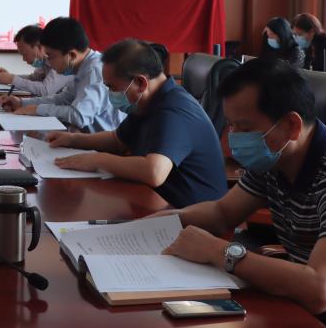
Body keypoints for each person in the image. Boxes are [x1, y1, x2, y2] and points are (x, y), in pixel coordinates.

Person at [159, 58, 326, 328]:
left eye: (245, 128)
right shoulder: (275, 158)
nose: (234, 138)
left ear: (291, 126)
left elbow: (319, 289)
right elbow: (221, 213)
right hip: (307, 315)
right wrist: (154, 223)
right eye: (231, 125)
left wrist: (218, 251)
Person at [44, 40, 227, 208]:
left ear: (140, 83)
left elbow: (154, 172)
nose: (110, 93)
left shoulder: (174, 110)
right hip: (159, 203)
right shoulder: (147, 101)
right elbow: (117, 140)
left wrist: (98, 160)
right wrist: (73, 139)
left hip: (194, 217)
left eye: (112, 87)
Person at [0, 17, 123, 132]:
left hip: (107, 143)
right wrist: (22, 103)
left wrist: (38, 109)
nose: (48, 62)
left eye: (50, 56)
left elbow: (79, 116)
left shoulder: (94, 70)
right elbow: (62, 99)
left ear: (71, 55)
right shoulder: (82, 67)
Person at [0, 24, 73, 97]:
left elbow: (45, 91)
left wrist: (12, 79)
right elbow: (34, 78)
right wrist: (9, 76)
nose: (24, 59)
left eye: (24, 54)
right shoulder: (45, 60)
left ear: (39, 47)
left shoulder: (61, 59)